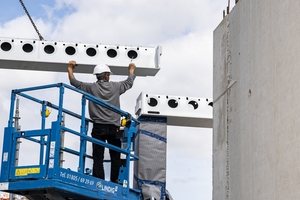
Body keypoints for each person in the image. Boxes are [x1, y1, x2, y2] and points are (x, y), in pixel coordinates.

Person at [67, 60, 136, 183]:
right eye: (108, 74)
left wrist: (70, 68)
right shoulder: (116, 87)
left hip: (98, 127)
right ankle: (115, 181)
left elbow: (74, 82)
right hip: (114, 127)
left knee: (98, 156)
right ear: (106, 75)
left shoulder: (92, 87)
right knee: (115, 155)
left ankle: (99, 181)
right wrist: (131, 70)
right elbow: (129, 83)